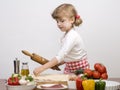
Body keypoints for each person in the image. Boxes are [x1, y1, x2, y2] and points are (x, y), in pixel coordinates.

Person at [33, 3, 90, 76]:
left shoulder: (72, 36)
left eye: (62, 21)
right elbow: (68, 56)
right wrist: (57, 64)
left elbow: (60, 56)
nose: (59, 24)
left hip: (80, 69)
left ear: (72, 19)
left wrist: (41, 68)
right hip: (69, 68)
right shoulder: (66, 35)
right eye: (57, 21)